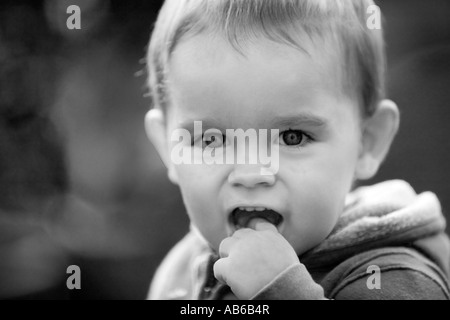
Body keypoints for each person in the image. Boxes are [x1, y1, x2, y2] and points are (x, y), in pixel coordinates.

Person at [144, 0, 450, 300]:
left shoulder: (393, 276)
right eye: (211, 140)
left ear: (367, 142)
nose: (251, 173)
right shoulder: (179, 271)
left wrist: (279, 290)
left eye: (292, 137)